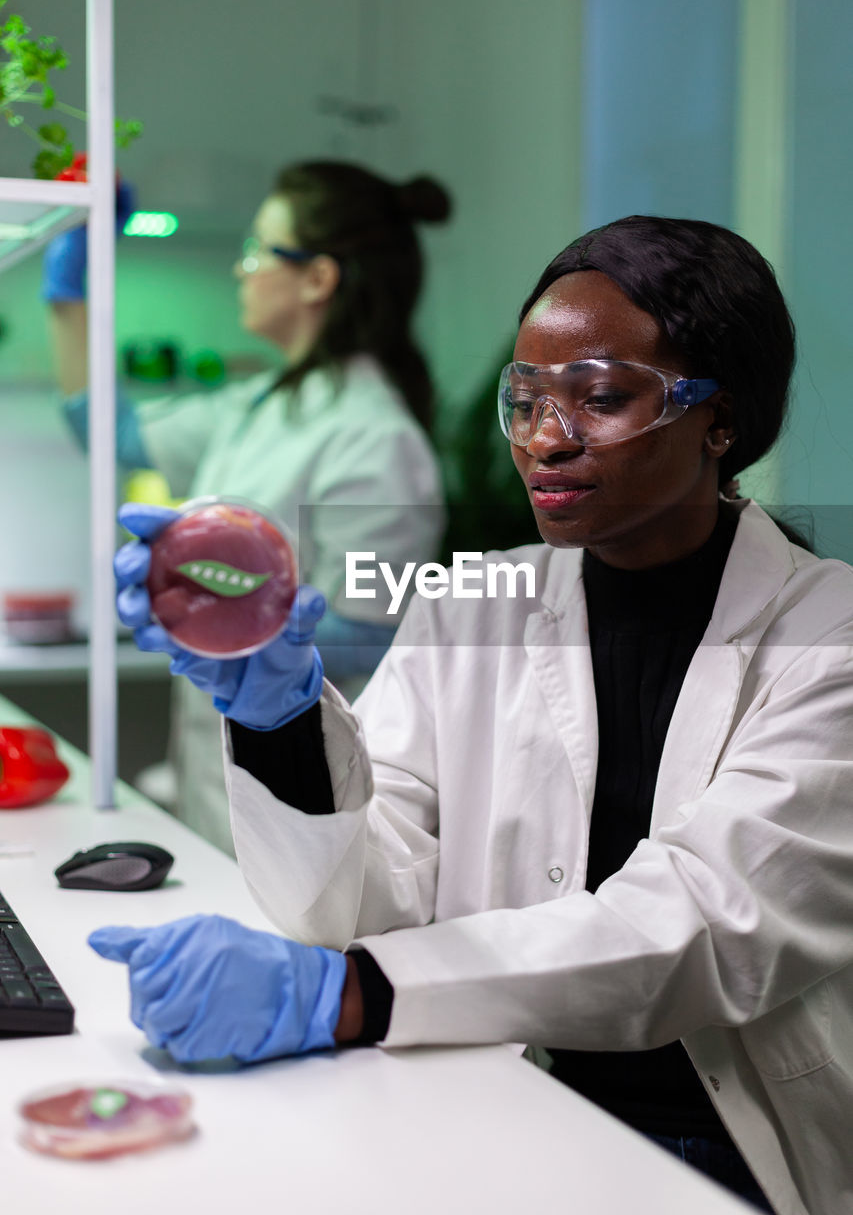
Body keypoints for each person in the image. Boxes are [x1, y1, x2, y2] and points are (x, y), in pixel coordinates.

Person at [97, 216, 853, 1215]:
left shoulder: (828, 631)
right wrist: (279, 719)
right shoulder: (471, 605)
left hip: (727, 1141)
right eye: (526, 398)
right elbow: (362, 903)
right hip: (483, 1083)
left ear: (720, 418)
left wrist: (346, 994)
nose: (545, 436)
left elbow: (702, 926)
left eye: (599, 398)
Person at [43, 160, 449, 852]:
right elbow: (106, 431)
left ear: (318, 278)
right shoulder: (258, 407)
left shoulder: (377, 437)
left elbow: (378, 638)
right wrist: (68, 296)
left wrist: (223, 623)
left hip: (305, 796)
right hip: (218, 789)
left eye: (258, 250)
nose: (242, 269)